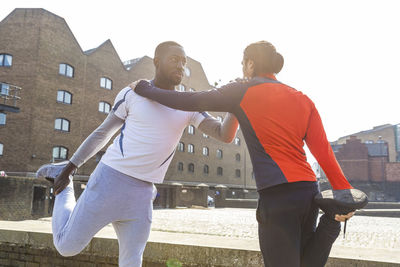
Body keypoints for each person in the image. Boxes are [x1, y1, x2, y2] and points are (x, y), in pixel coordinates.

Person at [132, 41, 355, 267]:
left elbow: (192, 100)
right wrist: (344, 193)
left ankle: (330, 224)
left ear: (250, 64)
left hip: (278, 195)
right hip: (309, 191)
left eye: (242, 63)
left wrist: (145, 89)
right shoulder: (303, 98)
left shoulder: (241, 90)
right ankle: (331, 221)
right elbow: (323, 150)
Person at [36, 41, 239, 267]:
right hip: (109, 181)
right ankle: (61, 182)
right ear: (157, 62)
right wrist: (71, 167)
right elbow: (103, 133)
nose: (181, 66)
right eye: (174, 59)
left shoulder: (189, 106)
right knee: (66, 247)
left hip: (142, 194)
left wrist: (236, 104)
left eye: (184, 62)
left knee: (132, 262)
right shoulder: (132, 93)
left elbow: (224, 134)